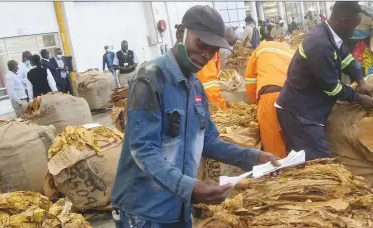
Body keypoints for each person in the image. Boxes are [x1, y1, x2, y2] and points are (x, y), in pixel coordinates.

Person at [111, 5, 281, 228]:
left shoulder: (196, 87)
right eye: (202, 44)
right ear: (181, 32)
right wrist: (191, 187)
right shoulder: (150, 79)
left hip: (178, 206)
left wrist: (254, 157)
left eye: (213, 51)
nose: (206, 55)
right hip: (144, 211)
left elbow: (208, 140)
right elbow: (143, 149)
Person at [275, 1, 373, 161]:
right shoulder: (320, 45)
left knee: (310, 161)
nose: (353, 32)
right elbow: (332, 87)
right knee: (320, 163)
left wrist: (361, 82)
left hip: (308, 107)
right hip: (300, 113)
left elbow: (347, 60)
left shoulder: (332, 36)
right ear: (343, 21)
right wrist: (358, 98)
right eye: (353, 27)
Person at [244, 41, 294, 158]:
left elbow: (250, 79)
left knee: (274, 149)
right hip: (293, 98)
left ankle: (280, 173)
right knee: (294, 144)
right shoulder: (291, 53)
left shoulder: (262, 48)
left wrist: (255, 104)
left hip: (270, 97)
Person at [196, 27, 237, 110]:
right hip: (199, 98)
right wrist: (223, 109)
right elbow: (211, 89)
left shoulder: (213, 52)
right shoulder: (207, 55)